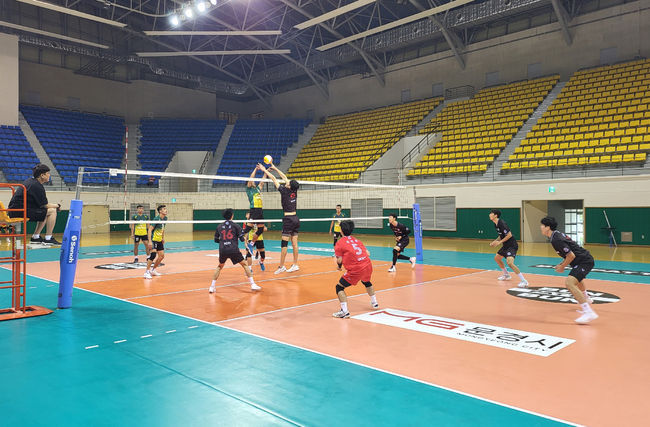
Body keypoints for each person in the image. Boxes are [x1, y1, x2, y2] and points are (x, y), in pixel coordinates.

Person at [540, 216, 598, 324]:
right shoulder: (555, 235)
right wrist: (562, 264)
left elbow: (571, 256)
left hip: (584, 261)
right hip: (580, 261)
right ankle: (586, 298)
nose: (541, 227)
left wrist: (562, 266)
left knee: (569, 283)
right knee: (578, 280)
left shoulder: (556, 239)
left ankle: (588, 312)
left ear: (548, 227)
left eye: (542, 225)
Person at [258, 163, 300, 274]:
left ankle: (281, 266)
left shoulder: (284, 191)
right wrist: (275, 168)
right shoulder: (294, 191)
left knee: (284, 244)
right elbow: (285, 178)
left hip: (288, 220)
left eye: (289, 183)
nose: (287, 182)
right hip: (296, 218)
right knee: (295, 244)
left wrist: (264, 170)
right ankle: (295, 264)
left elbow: (273, 179)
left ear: (289, 186)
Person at [332, 220, 378, 318]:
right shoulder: (357, 240)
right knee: (366, 281)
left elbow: (339, 260)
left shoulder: (340, 243)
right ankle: (374, 302)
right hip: (367, 265)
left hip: (356, 269)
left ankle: (344, 311)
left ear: (341, 230)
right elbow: (368, 253)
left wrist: (339, 267)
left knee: (339, 287)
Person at [209, 208, 261, 293]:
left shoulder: (219, 226)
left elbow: (216, 240)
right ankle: (253, 284)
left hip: (223, 250)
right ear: (232, 216)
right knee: (245, 265)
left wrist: (223, 242)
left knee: (219, 266)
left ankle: (212, 287)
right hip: (233, 249)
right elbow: (241, 239)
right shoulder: (236, 226)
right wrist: (242, 237)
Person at [8, 163, 61, 245]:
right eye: (48, 173)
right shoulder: (36, 186)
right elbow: (45, 205)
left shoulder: (30, 182)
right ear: (42, 175)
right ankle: (48, 238)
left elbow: (42, 205)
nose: (49, 175)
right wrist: (57, 205)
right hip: (19, 211)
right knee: (52, 211)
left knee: (45, 212)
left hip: (16, 210)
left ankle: (36, 237)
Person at [489, 209, 528, 288]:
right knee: (497, 258)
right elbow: (501, 235)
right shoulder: (495, 224)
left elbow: (509, 235)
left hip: (512, 245)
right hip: (506, 245)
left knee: (510, 263)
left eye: (491, 213)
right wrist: (495, 241)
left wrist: (499, 243)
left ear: (495, 215)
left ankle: (524, 281)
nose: (489, 215)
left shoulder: (502, 223)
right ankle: (506, 275)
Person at [243, 166, 266, 255]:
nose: (253, 181)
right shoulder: (249, 190)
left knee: (260, 230)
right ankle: (237, 235)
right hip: (254, 210)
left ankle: (251, 244)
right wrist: (256, 169)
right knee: (248, 228)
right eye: (251, 181)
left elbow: (263, 181)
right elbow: (251, 178)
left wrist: (265, 172)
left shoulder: (257, 189)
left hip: (260, 211)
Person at [144, 205, 167, 279]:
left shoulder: (165, 219)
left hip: (159, 240)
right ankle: (146, 272)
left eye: (165, 209)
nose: (166, 210)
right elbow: (150, 230)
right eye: (164, 209)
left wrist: (163, 238)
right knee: (153, 255)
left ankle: (153, 270)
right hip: (153, 239)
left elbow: (163, 229)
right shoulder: (156, 219)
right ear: (160, 211)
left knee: (161, 256)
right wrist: (150, 241)